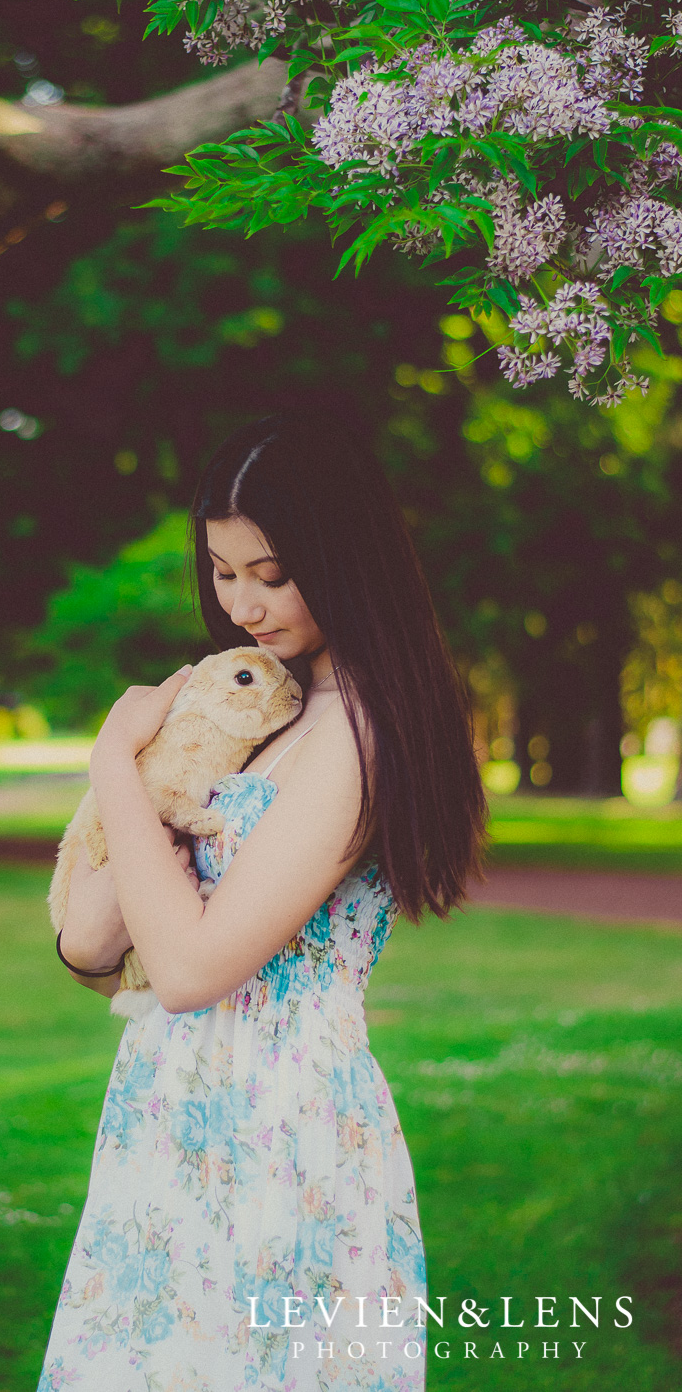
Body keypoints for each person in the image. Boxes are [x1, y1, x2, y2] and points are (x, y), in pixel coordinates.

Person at [37, 408, 486, 1391]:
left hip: (284, 1124)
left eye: (272, 573)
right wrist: (152, 775)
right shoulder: (251, 708)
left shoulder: (358, 732)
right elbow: (86, 942)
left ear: (344, 558)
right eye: (222, 569)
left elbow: (194, 968)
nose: (242, 602)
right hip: (169, 1107)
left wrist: (115, 762)